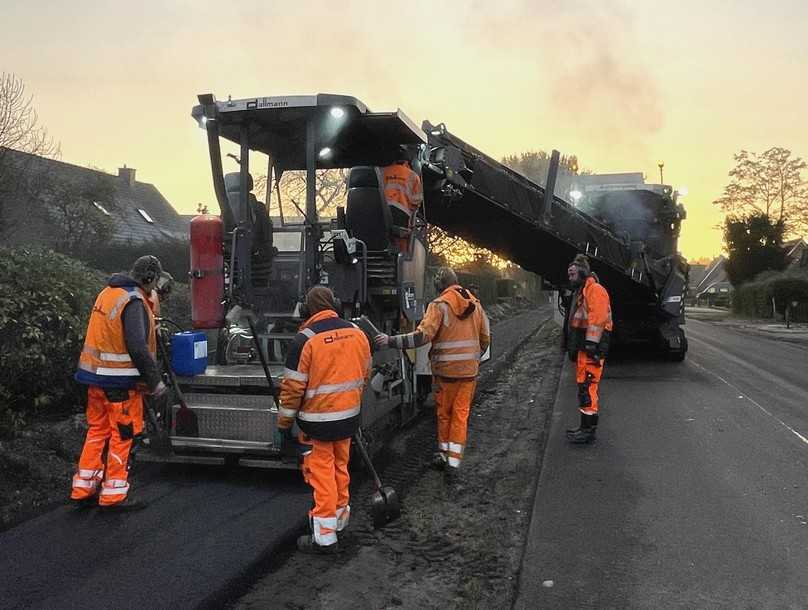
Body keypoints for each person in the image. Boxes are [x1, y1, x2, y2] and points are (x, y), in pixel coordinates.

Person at [278, 286, 371, 554]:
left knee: (322, 476)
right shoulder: (357, 333)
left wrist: (284, 426)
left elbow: (293, 390)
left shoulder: (304, 340)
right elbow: (365, 373)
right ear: (334, 304)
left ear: (308, 309)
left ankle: (325, 538)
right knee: (341, 468)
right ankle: (340, 521)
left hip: (317, 423)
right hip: (348, 418)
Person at [375, 267, 490, 484]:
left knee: (445, 414)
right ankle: (451, 461)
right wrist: (474, 358)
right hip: (468, 373)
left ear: (439, 285)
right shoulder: (476, 305)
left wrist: (391, 341)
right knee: (460, 415)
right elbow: (485, 338)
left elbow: (421, 337)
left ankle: (447, 459)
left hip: (445, 373)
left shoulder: (438, 306)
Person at [71, 255, 167, 510]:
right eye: (154, 281)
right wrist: (155, 381)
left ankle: (84, 487)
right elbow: (137, 346)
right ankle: (113, 495)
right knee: (122, 435)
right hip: (119, 384)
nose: (154, 287)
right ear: (149, 278)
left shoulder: (107, 293)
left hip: (94, 379)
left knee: (97, 431)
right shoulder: (133, 301)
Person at [565, 254, 613, 444]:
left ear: (582, 272)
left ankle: (589, 430)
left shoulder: (595, 290)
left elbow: (598, 318)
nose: (570, 276)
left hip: (591, 350)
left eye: (572, 273)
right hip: (586, 350)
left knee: (588, 387)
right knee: (584, 387)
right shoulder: (584, 291)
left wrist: (591, 344)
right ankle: (585, 427)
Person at [383, 147, 423, 252]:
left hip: (382, 211)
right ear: (407, 162)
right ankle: (401, 261)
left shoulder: (383, 171)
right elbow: (416, 202)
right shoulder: (413, 176)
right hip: (401, 213)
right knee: (403, 240)